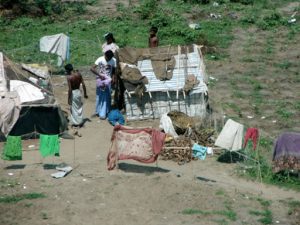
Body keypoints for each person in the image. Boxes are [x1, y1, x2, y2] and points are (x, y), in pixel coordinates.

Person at [90, 50, 116, 119]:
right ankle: (97, 112)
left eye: (110, 58)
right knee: (99, 96)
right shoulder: (100, 59)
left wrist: (113, 78)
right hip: (100, 81)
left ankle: (106, 112)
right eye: (108, 58)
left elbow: (113, 70)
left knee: (107, 97)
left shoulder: (113, 61)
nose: (109, 59)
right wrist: (99, 75)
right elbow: (92, 68)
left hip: (108, 81)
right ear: (105, 55)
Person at [65, 64, 88, 128]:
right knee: (79, 107)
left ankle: (76, 123)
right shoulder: (79, 74)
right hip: (79, 92)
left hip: (73, 93)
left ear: (67, 70)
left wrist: (69, 99)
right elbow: (83, 84)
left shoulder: (69, 77)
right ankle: (80, 121)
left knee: (74, 109)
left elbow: (70, 89)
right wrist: (85, 94)